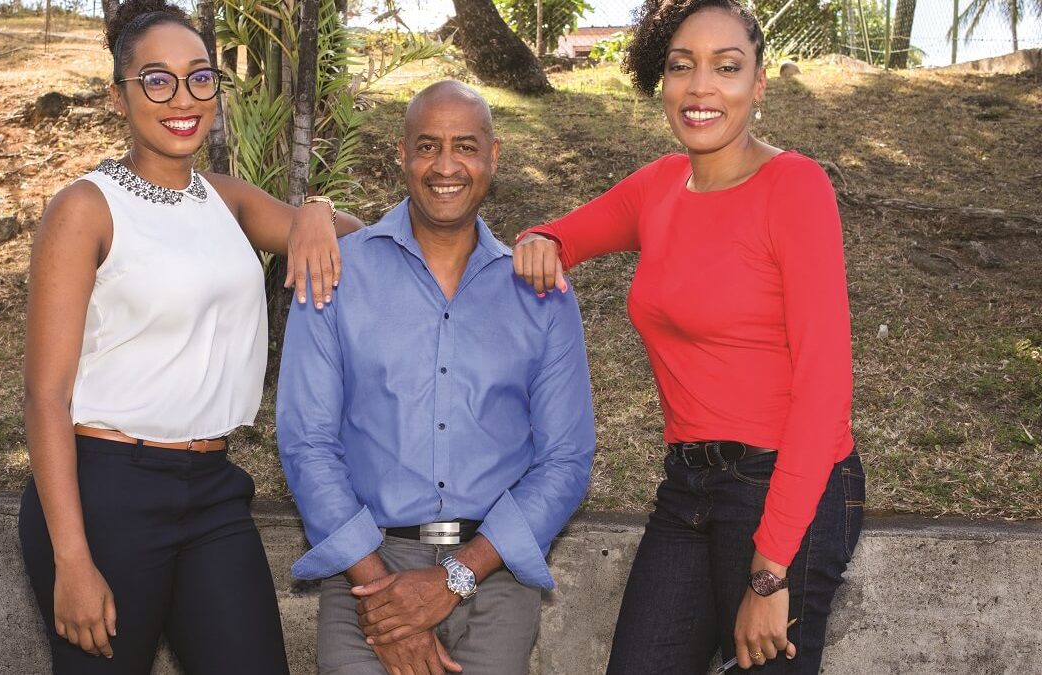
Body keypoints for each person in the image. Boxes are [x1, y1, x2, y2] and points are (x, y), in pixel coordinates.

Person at [513, 1, 864, 673]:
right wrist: (540, 240)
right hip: (688, 486)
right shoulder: (660, 186)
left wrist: (771, 571)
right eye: (682, 66)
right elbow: (561, 235)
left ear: (758, 84)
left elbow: (824, 390)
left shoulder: (795, 187)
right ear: (663, 80)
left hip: (787, 488)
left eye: (726, 67)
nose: (701, 87)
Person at [17, 1, 363, 672]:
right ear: (119, 96)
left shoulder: (227, 200)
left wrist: (316, 209)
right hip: (106, 492)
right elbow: (44, 395)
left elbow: (361, 243)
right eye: (157, 80)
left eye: (200, 77)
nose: (183, 98)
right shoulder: (86, 208)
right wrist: (72, 559)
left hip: (212, 491)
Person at [276, 80, 597, 675]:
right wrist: (382, 596)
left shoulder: (540, 292)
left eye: (465, 147)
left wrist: (456, 576)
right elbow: (306, 443)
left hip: (494, 572)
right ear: (403, 155)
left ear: (492, 157)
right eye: (428, 146)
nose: (446, 166)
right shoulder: (336, 272)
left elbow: (567, 458)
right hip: (366, 568)